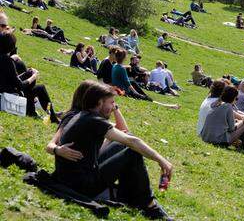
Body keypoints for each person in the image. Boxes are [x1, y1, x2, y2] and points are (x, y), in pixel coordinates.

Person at [50, 82, 173, 220]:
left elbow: (126, 135)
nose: (113, 106)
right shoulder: (94, 121)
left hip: (71, 178)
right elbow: (133, 142)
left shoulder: (83, 116)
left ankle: (129, 195)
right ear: (99, 103)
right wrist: (161, 160)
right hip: (82, 186)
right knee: (132, 152)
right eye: (111, 102)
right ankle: (149, 205)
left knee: (124, 144)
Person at [200, 85, 244, 162]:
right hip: (217, 140)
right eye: (236, 98)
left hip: (205, 137)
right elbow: (232, 129)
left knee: (242, 126)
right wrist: (242, 121)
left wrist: (239, 122)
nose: (236, 101)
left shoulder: (216, 104)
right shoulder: (228, 107)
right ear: (232, 98)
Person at [0, 31, 58, 122]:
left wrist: (28, 73)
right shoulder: (7, 61)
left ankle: (32, 109)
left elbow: (11, 78)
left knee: (29, 72)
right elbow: (20, 85)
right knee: (40, 88)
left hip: (5, 90)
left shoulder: (4, 59)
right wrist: (34, 77)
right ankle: (52, 117)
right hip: (10, 98)